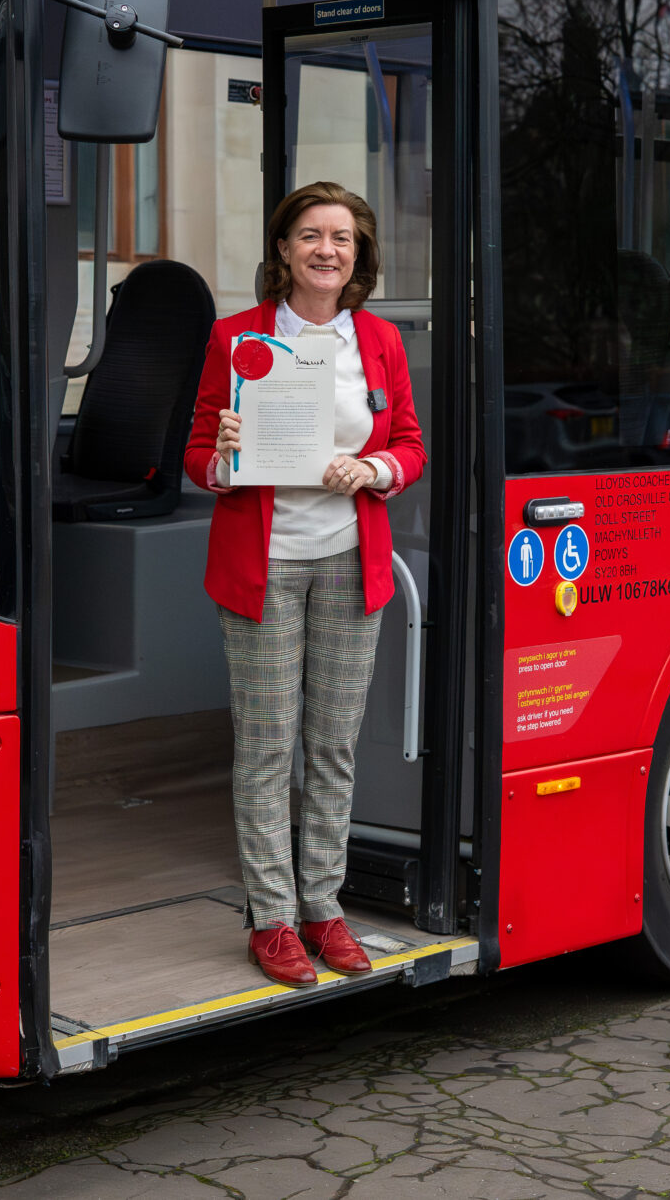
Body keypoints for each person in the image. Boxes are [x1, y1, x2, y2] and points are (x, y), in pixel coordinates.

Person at [184, 181, 425, 986]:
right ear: (283, 248)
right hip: (265, 568)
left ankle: (324, 907)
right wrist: (224, 451)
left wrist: (374, 466)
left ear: (359, 256)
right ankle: (273, 919)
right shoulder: (234, 338)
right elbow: (197, 458)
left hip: (350, 566)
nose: (329, 249)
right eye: (312, 235)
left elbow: (411, 444)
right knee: (264, 749)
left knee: (332, 746)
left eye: (345, 238)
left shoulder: (380, 341)